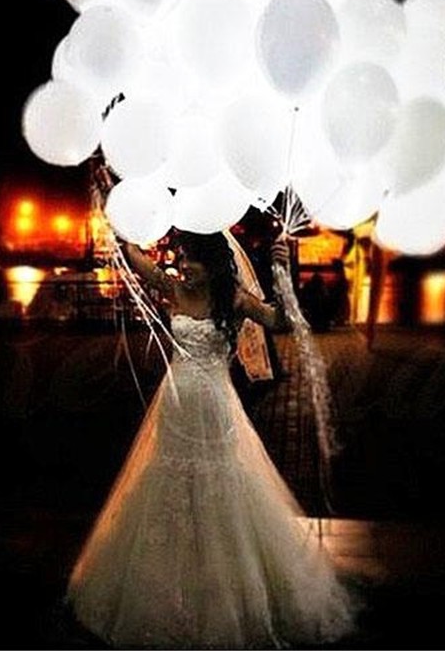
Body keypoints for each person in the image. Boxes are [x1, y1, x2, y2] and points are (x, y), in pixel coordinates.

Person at [65, 230, 356, 648]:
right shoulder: (174, 288)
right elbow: (136, 259)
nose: (183, 266)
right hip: (175, 405)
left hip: (215, 405)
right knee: (167, 479)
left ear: (214, 264)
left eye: (192, 260)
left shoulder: (233, 299)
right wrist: (125, 227)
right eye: (181, 258)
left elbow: (278, 321)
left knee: (220, 480)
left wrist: (281, 270)